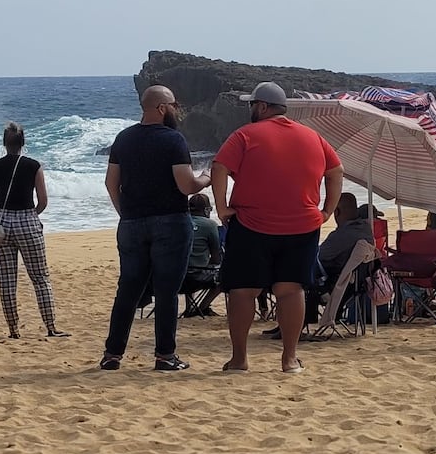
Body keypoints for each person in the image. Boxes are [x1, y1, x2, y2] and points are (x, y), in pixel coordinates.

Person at [212, 81, 343, 374]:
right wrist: (327, 211)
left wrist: (221, 208)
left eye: (251, 105)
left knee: (243, 291)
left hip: (252, 224)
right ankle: (289, 359)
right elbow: (336, 171)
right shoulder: (313, 137)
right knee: (290, 290)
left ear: (261, 106)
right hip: (302, 226)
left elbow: (219, 167)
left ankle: (239, 359)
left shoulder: (245, 134)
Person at [100, 84, 211, 372]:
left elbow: (111, 183)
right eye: (174, 105)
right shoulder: (173, 139)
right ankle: (165, 355)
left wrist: (125, 213)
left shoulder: (123, 138)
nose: (177, 110)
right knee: (166, 291)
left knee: (128, 289)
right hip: (171, 220)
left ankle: (112, 354)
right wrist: (205, 178)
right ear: (162, 108)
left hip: (132, 222)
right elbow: (185, 185)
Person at [0, 122, 69, 340]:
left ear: (4, 143)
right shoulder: (33, 165)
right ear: (23, 143)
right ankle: (51, 327)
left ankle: (13, 330)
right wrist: (31, 215)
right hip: (28, 221)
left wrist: (1, 199)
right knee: (40, 278)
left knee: (7, 280)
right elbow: (43, 200)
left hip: (2, 224)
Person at [261, 191, 372, 336]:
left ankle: (291, 326)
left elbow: (319, 255)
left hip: (331, 286)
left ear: (336, 212)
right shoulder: (365, 230)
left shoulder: (343, 235)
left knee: (290, 279)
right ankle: (286, 325)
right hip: (352, 286)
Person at [182, 193, 223, 317]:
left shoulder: (179, 222)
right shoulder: (210, 225)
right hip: (197, 278)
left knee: (187, 266)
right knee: (223, 278)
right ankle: (202, 307)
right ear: (206, 210)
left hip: (175, 278)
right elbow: (216, 257)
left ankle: (190, 307)